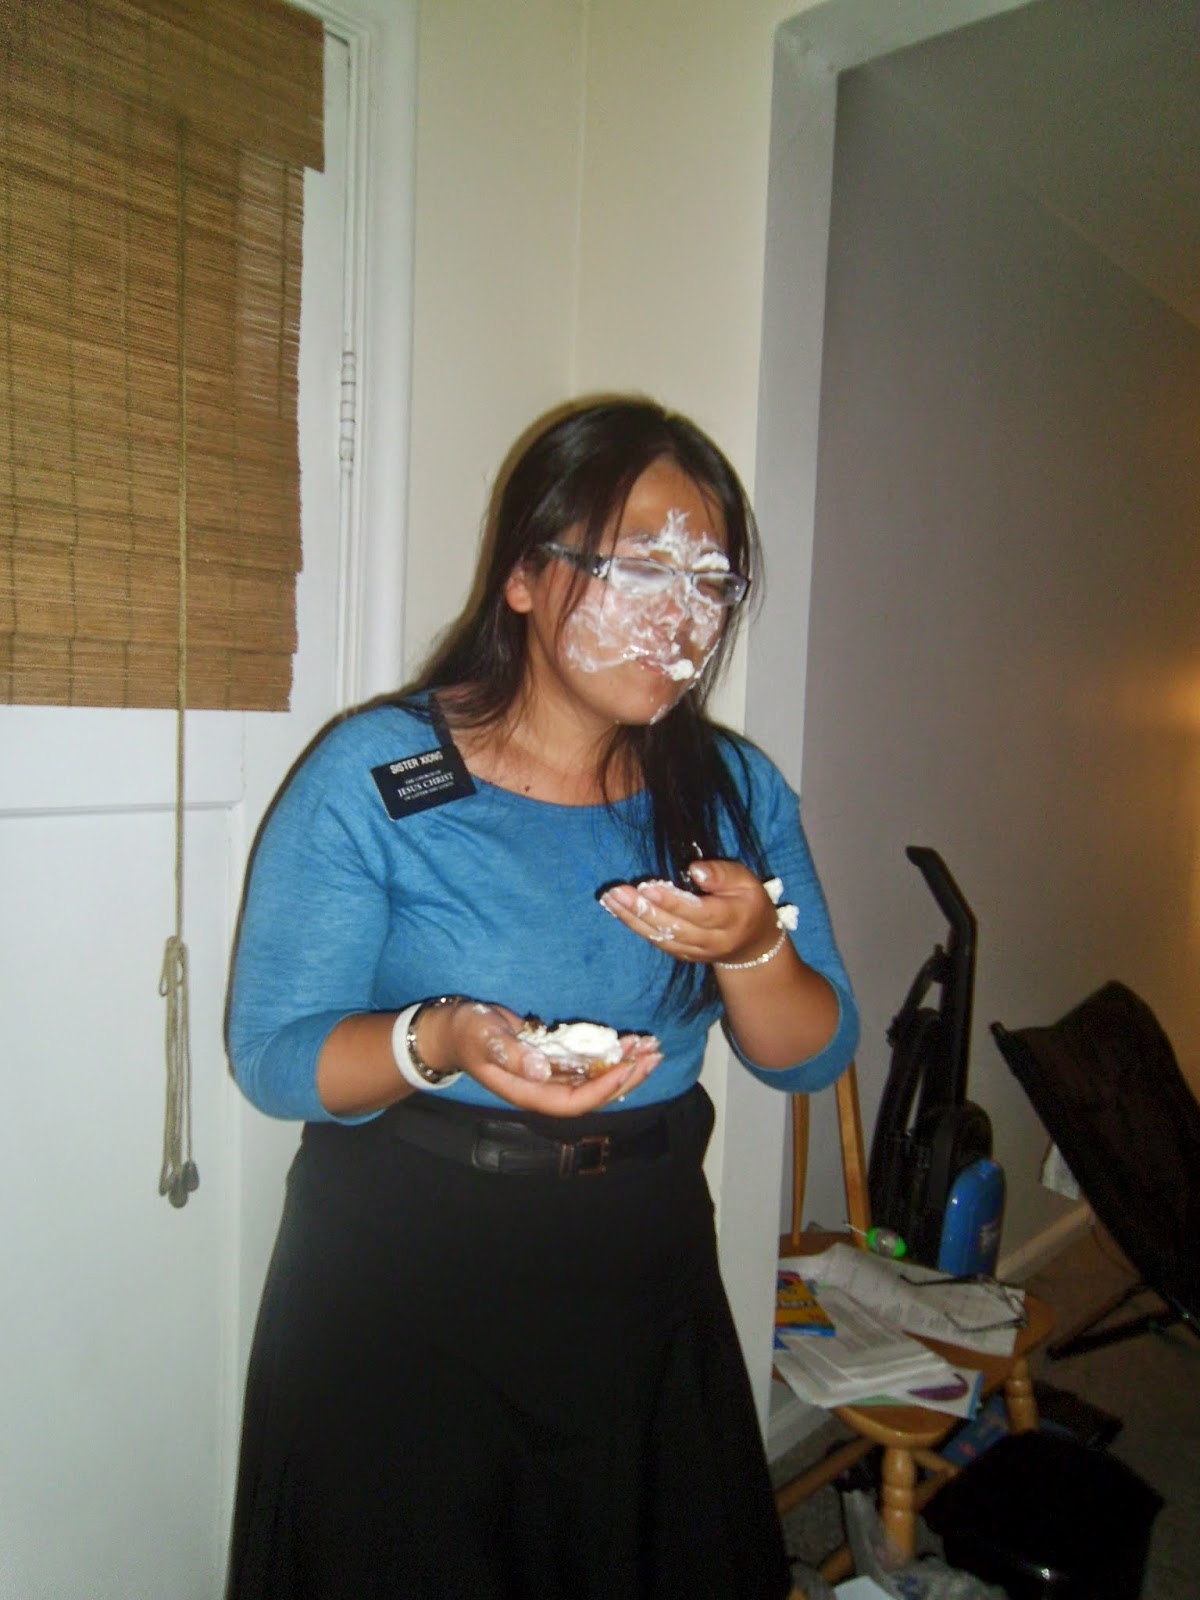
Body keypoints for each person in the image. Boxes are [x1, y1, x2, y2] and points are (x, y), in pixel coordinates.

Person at [225, 396, 859, 1599]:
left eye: (710, 580)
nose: (679, 613)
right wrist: (445, 1037)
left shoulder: (733, 790)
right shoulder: (381, 772)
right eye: (639, 567)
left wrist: (751, 950)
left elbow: (810, 1056)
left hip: (640, 1262)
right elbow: (273, 1054)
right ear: (523, 576)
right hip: (401, 1272)